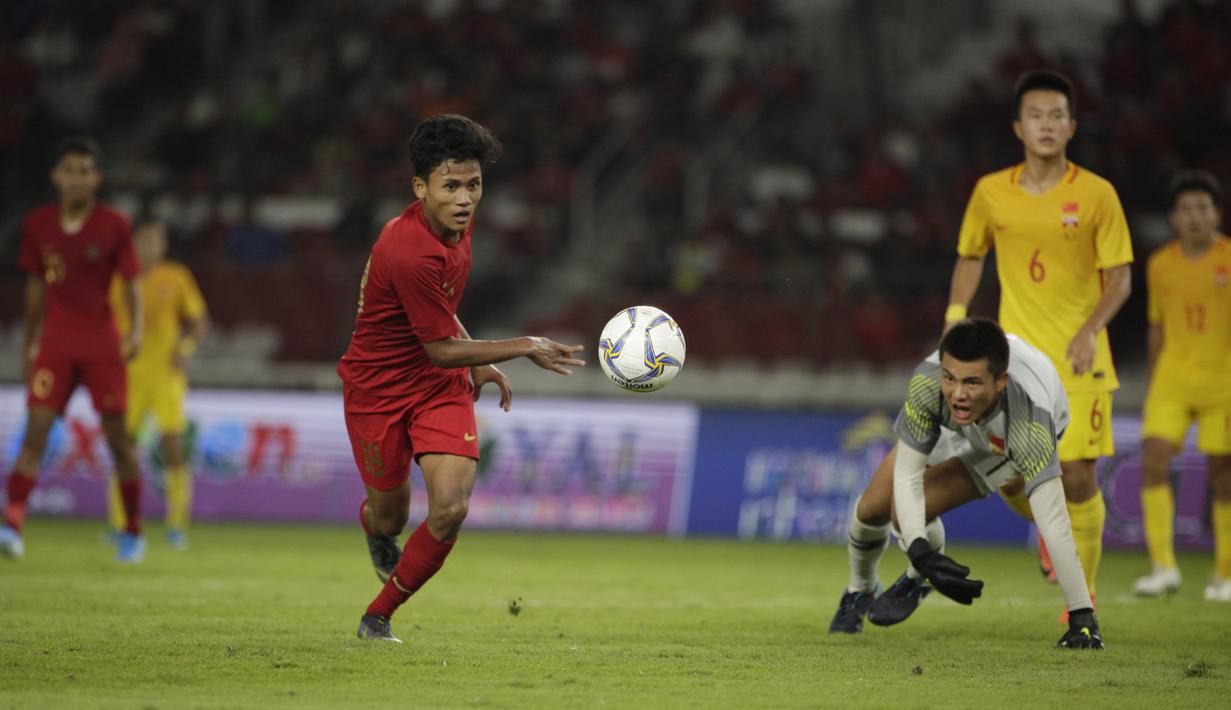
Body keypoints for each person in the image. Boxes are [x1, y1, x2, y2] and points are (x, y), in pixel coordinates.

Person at [340, 114, 585, 643]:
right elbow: (439, 344)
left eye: (474, 184)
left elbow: (442, 316)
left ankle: (376, 617)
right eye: (450, 185)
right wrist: (522, 346)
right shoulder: (405, 249)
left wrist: (479, 361)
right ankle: (376, 531)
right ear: (420, 187)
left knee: (449, 509)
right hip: (377, 390)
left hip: (435, 385)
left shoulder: (457, 222)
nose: (465, 198)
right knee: (390, 516)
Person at [941, 69, 1133, 600]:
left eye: (1056, 116)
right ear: (1018, 128)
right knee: (1008, 475)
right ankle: (1052, 534)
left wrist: (1090, 330)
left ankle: (1083, 598)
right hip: (1015, 362)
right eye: (1035, 116)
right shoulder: (990, 192)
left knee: (1076, 476)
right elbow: (970, 255)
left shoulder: (1097, 195)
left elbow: (1120, 278)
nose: (1046, 125)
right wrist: (957, 313)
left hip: (1081, 359)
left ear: (1071, 127)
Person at [828, 318, 1103, 649]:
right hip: (955, 426)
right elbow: (908, 475)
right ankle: (861, 590)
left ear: (1000, 381)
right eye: (950, 378)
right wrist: (918, 550)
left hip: (1003, 438)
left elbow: (1054, 521)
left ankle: (917, 579)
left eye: (972, 382)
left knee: (905, 515)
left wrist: (1082, 616)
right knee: (870, 509)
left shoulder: (1029, 423)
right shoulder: (929, 385)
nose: (958, 394)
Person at [0, 137, 146, 563]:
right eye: (69, 170)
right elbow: (33, 288)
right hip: (57, 343)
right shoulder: (38, 225)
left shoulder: (115, 224)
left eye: (85, 171)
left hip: (102, 342)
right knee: (36, 431)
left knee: (119, 442)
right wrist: (29, 343)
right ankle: (12, 524)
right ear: (56, 176)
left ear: (97, 178)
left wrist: (135, 330)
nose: (76, 179)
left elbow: (131, 280)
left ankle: (133, 531)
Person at [1133, 170, 1231, 601]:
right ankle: (1163, 568)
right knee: (1153, 462)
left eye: (1203, 208)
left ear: (1217, 214)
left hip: (1222, 383)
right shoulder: (1160, 264)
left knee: (1223, 475)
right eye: (1187, 209)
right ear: (1174, 217)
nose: (1195, 216)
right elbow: (1156, 325)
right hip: (1172, 381)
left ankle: (1224, 574)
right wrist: (1156, 380)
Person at [105, 218, 209, 550]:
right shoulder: (118, 279)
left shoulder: (175, 277)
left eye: (155, 241)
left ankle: (176, 526)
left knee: (174, 449)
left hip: (166, 376)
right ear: (133, 244)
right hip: (129, 376)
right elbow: (101, 320)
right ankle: (121, 524)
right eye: (143, 240)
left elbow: (199, 320)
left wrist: (185, 348)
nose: (148, 246)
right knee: (124, 448)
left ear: (163, 246)